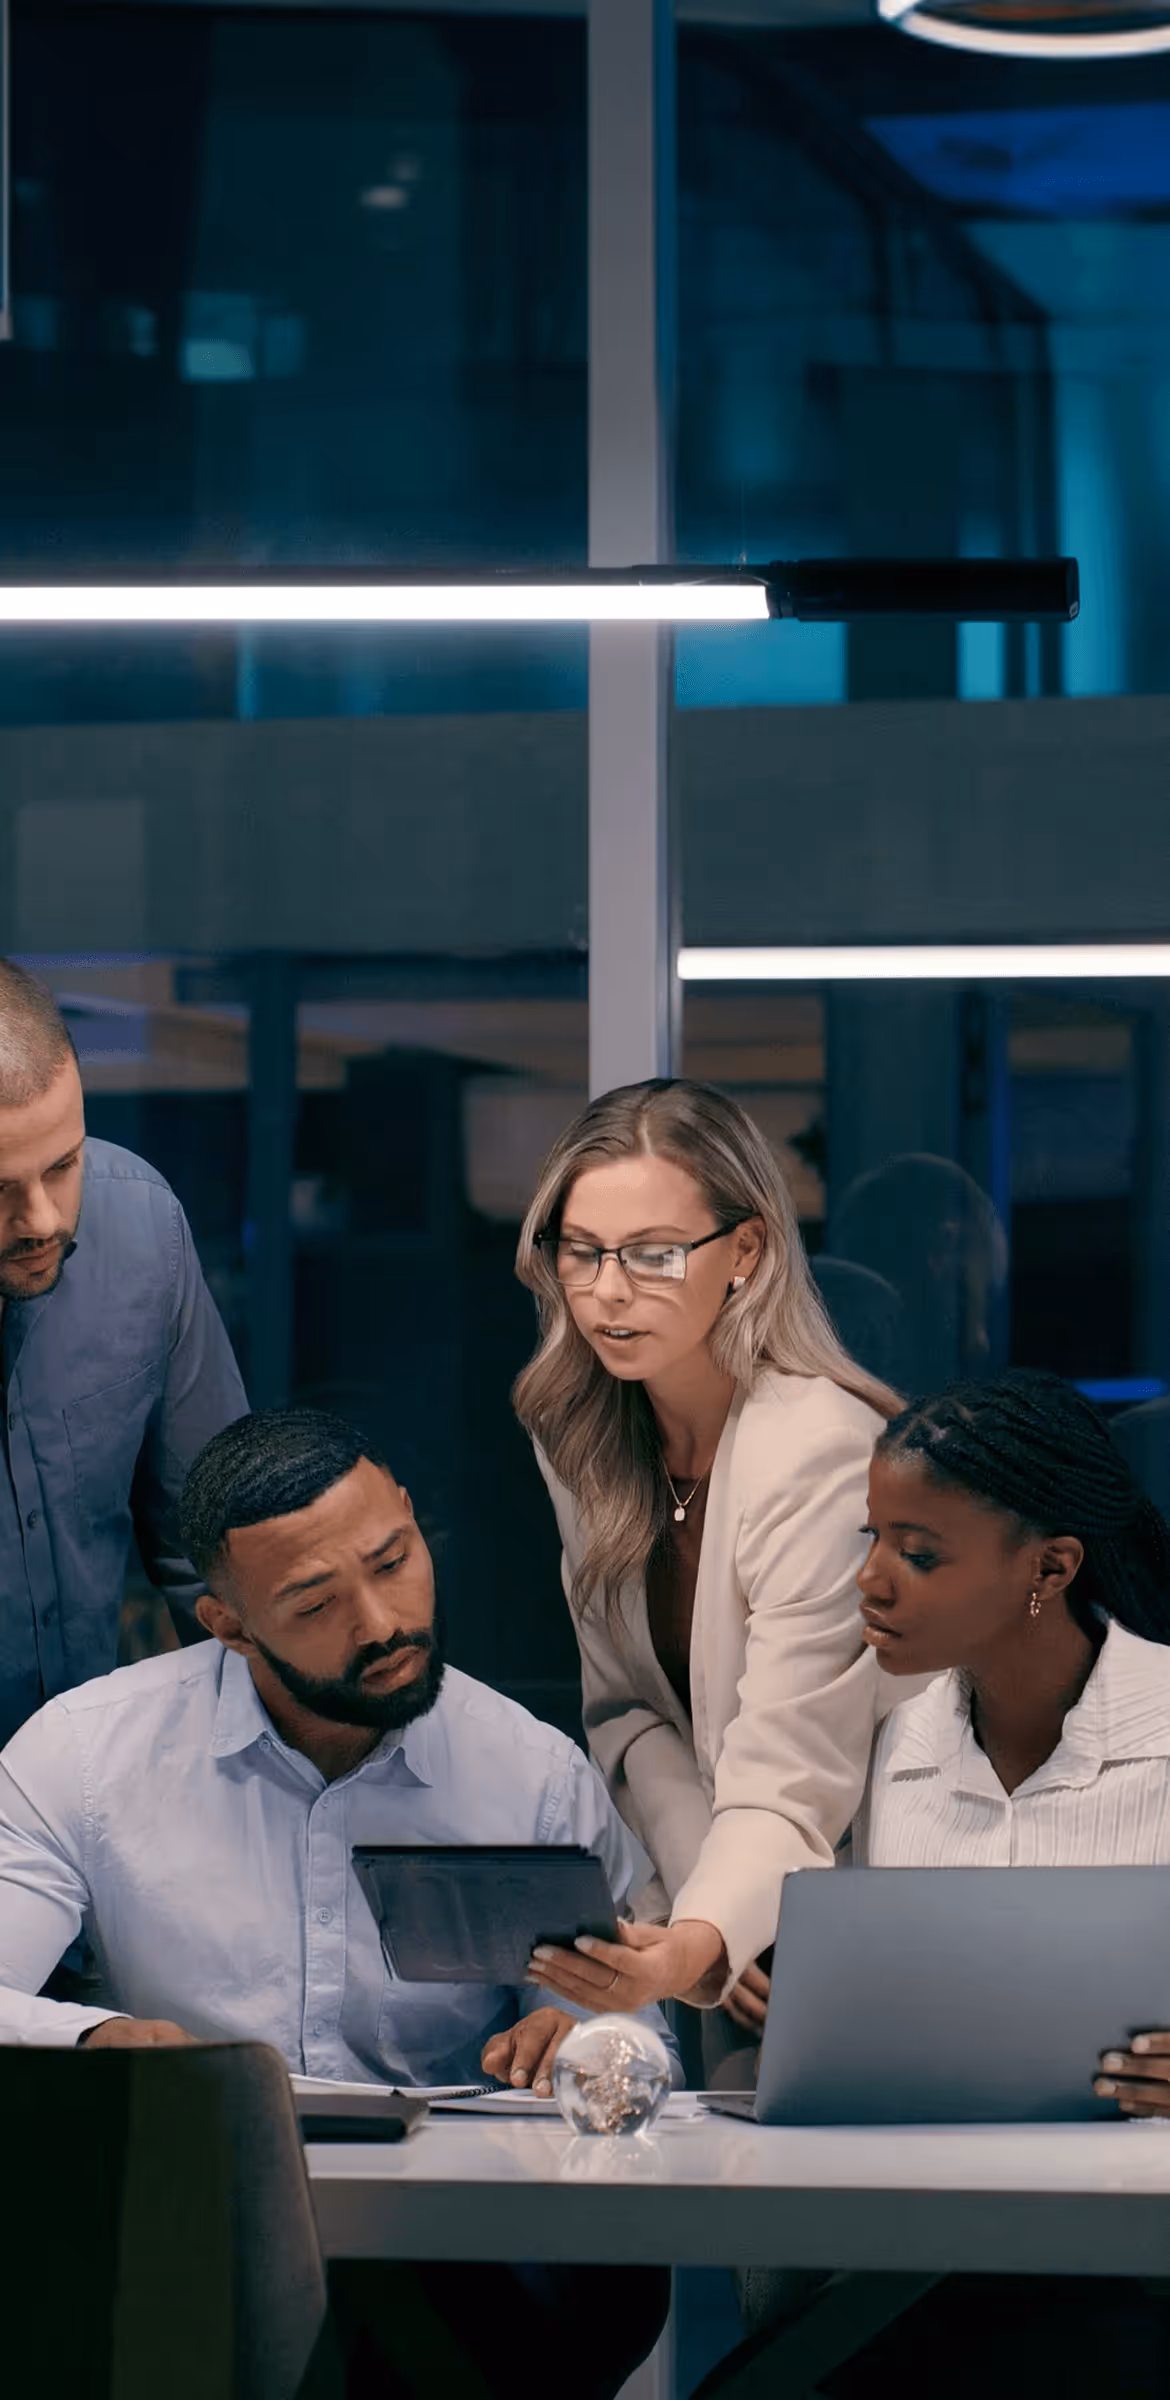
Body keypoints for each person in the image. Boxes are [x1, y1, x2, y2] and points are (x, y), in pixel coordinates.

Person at [0, 1406, 670, 2400]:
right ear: (225, 1623)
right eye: (314, 1603)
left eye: (393, 1559)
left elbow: (635, 2045)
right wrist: (100, 2045)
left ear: (406, 1509)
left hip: (460, 2256)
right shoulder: (86, 1757)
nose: (383, 1622)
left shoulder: (526, 1773)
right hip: (190, 2228)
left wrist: (579, 2039)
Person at [511, 1077, 928, 2074]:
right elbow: (630, 1716)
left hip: (880, 1897)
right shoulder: (577, 1430)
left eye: (655, 1255)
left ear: (744, 1253)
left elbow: (794, 1767)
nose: (610, 1291)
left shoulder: (819, 1449)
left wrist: (703, 1935)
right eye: (583, 1252)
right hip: (732, 1911)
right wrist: (706, 1915)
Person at [829, 1368, 1170, 2395]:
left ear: (1051, 1567)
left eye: (920, 1554)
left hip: (1138, 2260)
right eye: (873, 1539)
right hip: (916, 2245)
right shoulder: (881, 1750)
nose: (873, 1582)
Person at [0, 956, 248, 1748]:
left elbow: (217, 1558)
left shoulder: (141, 1232)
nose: (40, 1219)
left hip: (78, 1802)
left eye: (64, 1165)